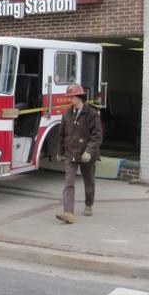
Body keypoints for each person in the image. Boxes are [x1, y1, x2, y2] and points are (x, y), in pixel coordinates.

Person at [56, 83, 103, 224]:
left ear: (79, 97)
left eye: (72, 97)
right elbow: (62, 134)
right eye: (69, 97)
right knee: (68, 182)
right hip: (71, 153)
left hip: (86, 155)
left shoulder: (92, 114)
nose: (70, 100)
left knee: (88, 181)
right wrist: (60, 151)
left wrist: (89, 151)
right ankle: (68, 213)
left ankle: (89, 204)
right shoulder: (67, 115)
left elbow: (97, 135)